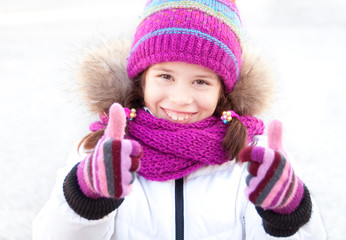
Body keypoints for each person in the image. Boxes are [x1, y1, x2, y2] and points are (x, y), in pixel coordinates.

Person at [33, 0, 326, 239]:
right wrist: (85, 200)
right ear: (141, 78)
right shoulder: (104, 149)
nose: (181, 98)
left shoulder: (253, 155)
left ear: (223, 89)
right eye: (165, 76)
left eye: (201, 82)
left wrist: (286, 219)